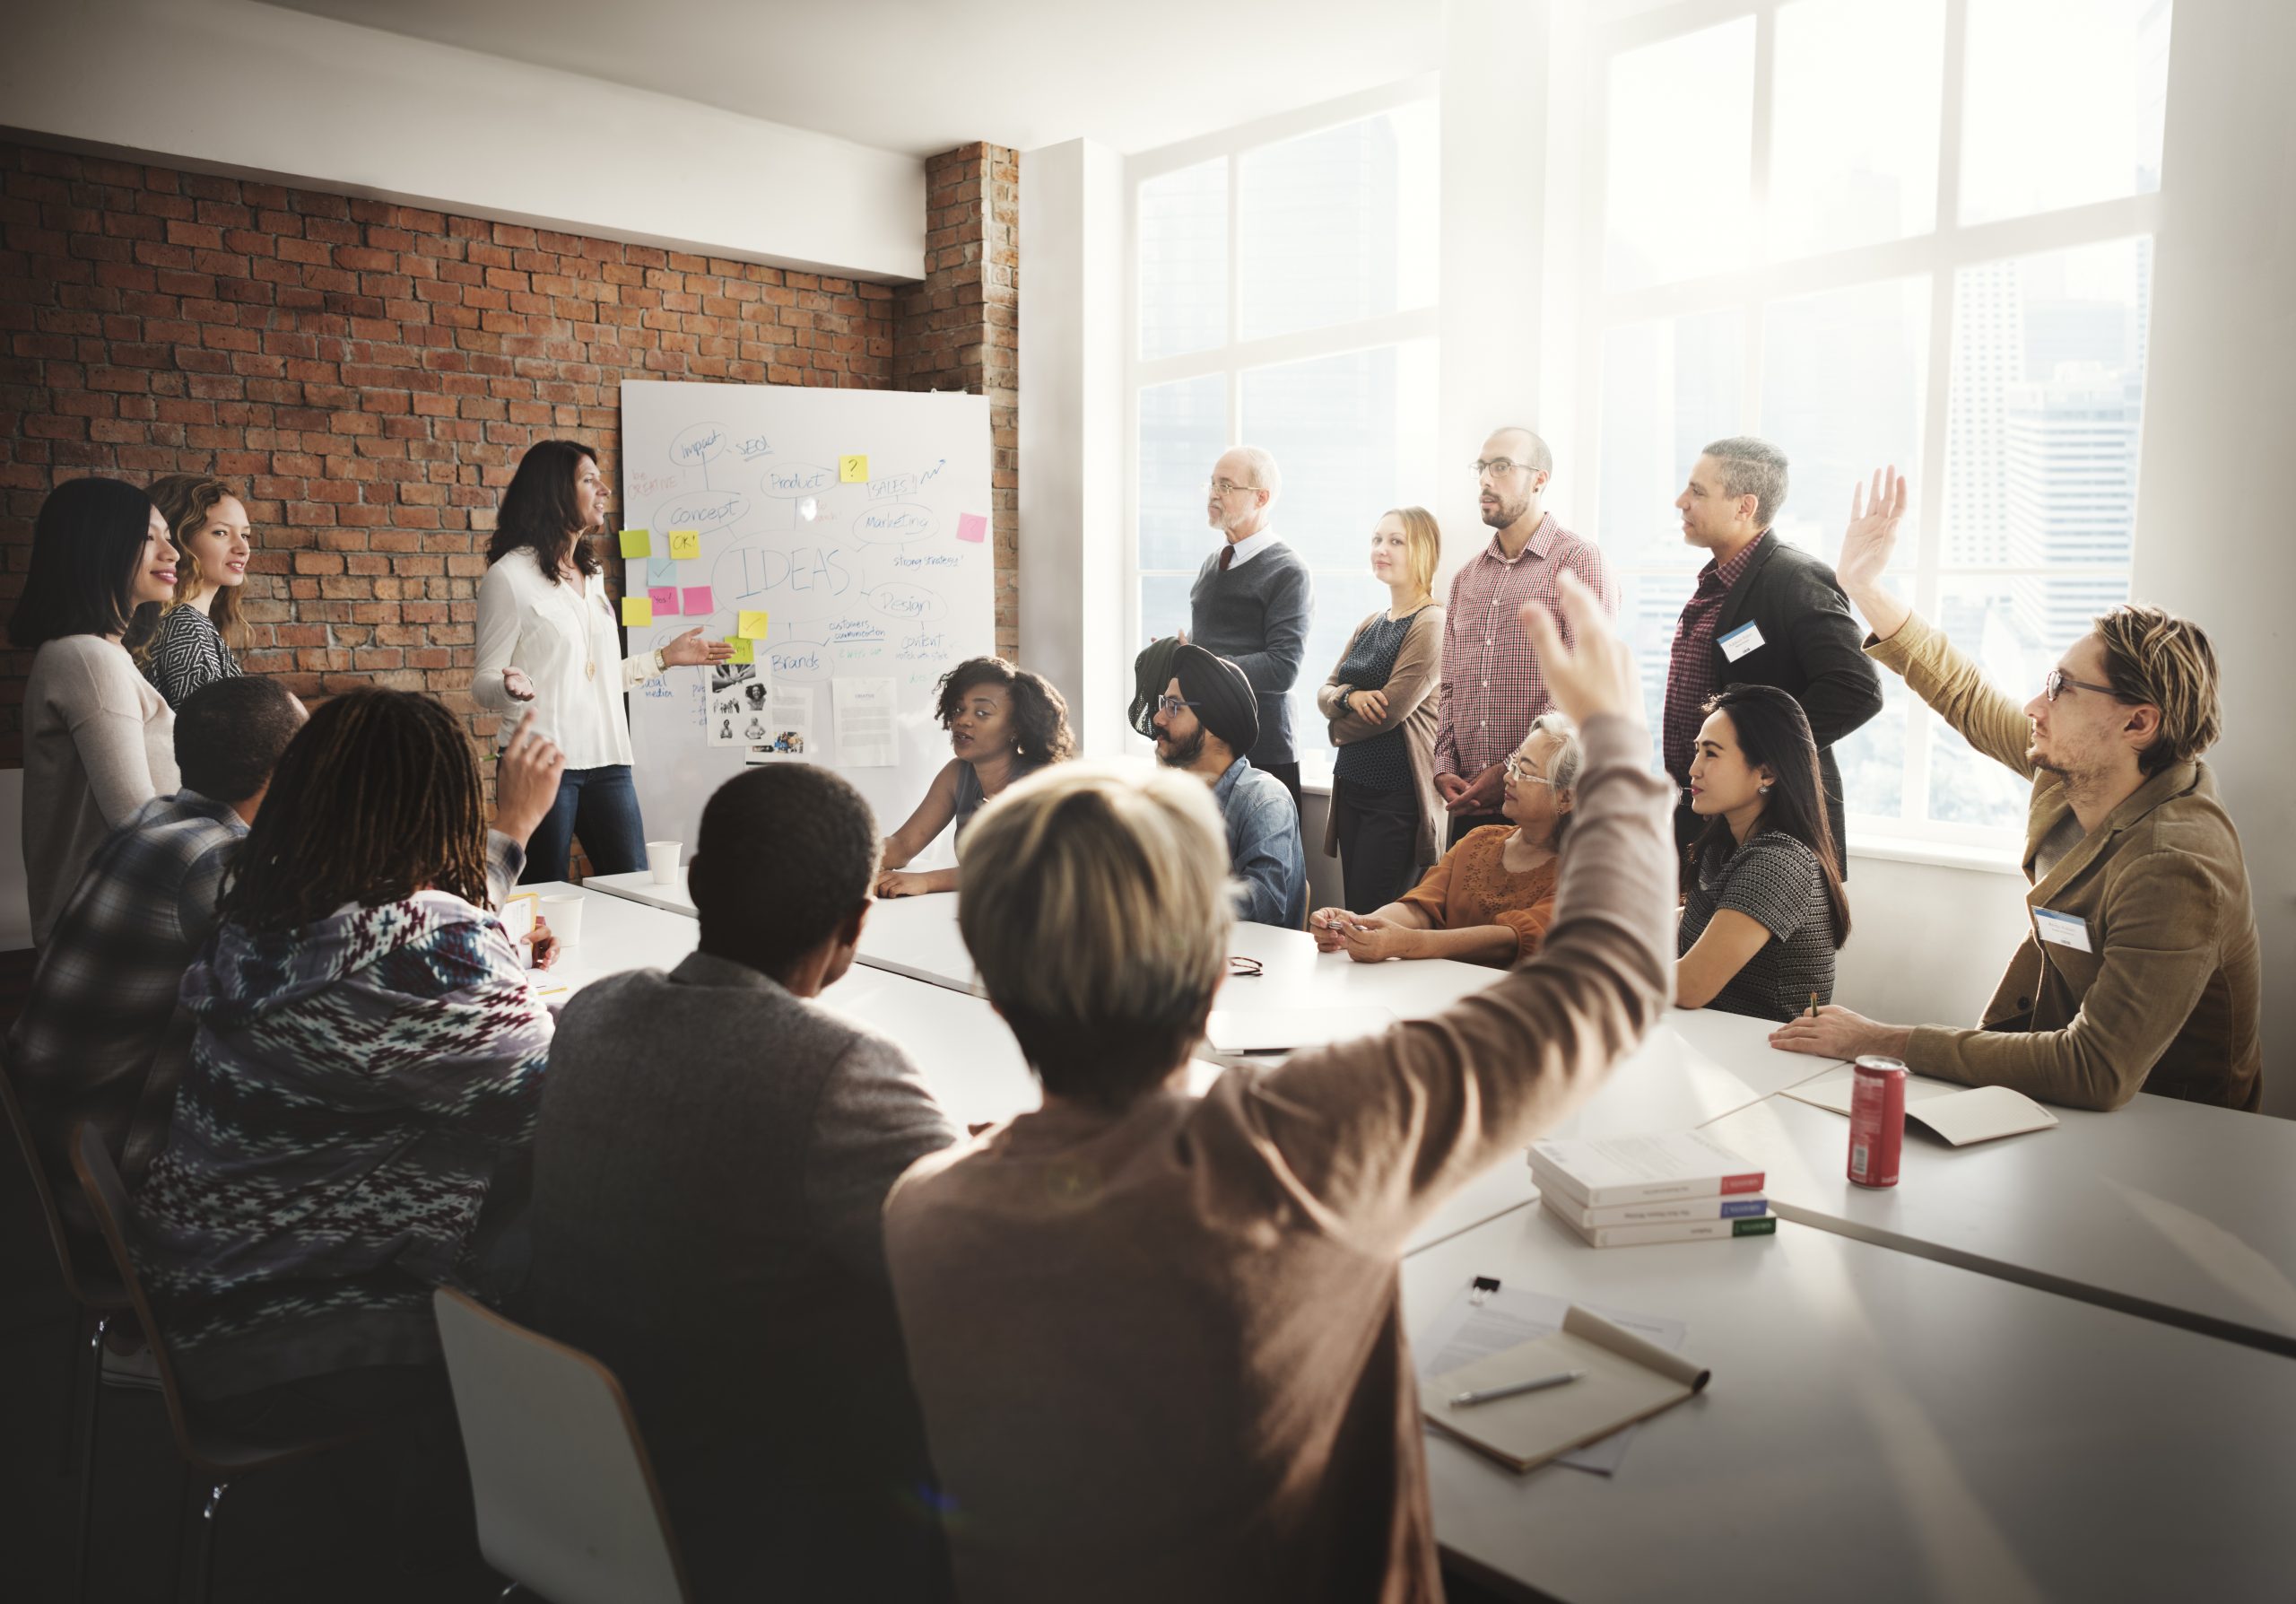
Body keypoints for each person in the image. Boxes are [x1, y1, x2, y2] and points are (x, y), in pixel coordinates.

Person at [883, 573, 1673, 1602]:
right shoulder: (1302, 1144)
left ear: (989, 988)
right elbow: (1607, 982)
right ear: (1218, 966)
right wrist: (1613, 737)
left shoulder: (924, 1212)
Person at [530, 765, 958, 1600]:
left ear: (694, 883)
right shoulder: (843, 1072)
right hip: (757, 1511)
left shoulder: (588, 1014)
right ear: (858, 924)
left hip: (576, 1468)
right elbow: (984, 1265)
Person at [1770, 468, 2263, 1111]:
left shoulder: (2176, 862)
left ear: (2138, 723)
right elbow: (1965, 694)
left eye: (2061, 688)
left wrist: (1881, 1039)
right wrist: (1863, 585)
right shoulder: (2072, 770)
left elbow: (2096, 1069)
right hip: (2060, 1104)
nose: (2035, 705)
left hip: (2174, 1130)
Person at [132, 693, 567, 1408]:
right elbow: (555, 1115)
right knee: (594, 1218)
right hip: (285, 1332)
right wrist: (513, 828)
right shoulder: (424, 947)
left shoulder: (267, 910)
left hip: (202, 1285)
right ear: (443, 806)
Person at [4, 676, 306, 1241]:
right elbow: (320, 989)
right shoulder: (210, 861)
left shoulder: (155, 821)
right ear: (288, 770)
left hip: (67, 1154)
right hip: (126, 1200)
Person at [470, 439, 731, 882]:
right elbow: (483, 683)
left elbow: (598, 677)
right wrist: (508, 686)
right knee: (544, 896)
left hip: (610, 761)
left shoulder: (591, 575)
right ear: (554, 492)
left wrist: (666, 658)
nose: (605, 489)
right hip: (542, 762)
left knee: (636, 887)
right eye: (590, 480)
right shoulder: (509, 577)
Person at [1663, 438, 1882, 885]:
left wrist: (1758, 758)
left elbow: (1857, 689)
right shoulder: (1718, 581)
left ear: (1745, 506)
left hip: (1771, 819)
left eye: (1698, 492)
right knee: (1689, 947)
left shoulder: (1794, 577)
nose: (1681, 502)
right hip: (1701, 813)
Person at [10, 477, 183, 945]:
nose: (173, 553)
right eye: (149, 536)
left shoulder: (103, 656)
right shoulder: (89, 658)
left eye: (168, 536)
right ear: (96, 543)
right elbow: (138, 820)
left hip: (125, 925)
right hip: (115, 938)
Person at [1433, 426, 1615, 846]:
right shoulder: (1466, 577)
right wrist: (1444, 766)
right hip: (1466, 804)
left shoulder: (1579, 561)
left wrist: (1512, 769)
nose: (1484, 479)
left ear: (1539, 479)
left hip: (1544, 806)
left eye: (1501, 467)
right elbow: (1451, 686)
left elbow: (1584, 688)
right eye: (1481, 468)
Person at [1311, 714, 1580, 969]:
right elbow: (1421, 908)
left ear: (1566, 798)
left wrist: (1406, 944)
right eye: (1513, 765)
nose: (1508, 778)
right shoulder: (1479, 840)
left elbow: (1509, 941)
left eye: (1524, 771)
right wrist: (1358, 925)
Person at [1674, 684, 1849, 1021]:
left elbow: (1691, 985)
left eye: (1711, 753)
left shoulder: (1780, 862)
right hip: (1709, 1043)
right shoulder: (1723, 845)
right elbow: (1684, 922)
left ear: (1766, 772)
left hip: (1766, 1062)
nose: (1694, 768)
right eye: (1697, 751)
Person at [1315, 507, 1447, 912]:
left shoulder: (1432, 622)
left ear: (1423, 551)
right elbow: (1324, 691)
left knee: (1375, 921)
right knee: (1354, 912)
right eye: (1377, 539)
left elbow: (1390, 713)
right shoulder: (1371, 622)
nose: (1381, 549)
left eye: (1395, 541)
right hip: (1352, 789)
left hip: (1396, 800)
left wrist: (1336, 729)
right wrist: (1349, 698)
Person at [877, 656, 1075, 898]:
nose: (963, 720)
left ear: (1017, 727)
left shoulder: (1041, 783)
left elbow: (1012, 870)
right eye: (959, 709)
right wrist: (848, 858)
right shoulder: (956, 774)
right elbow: (902, 845)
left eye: (982, 713)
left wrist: (926, 881)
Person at [1188, 445, 1312, 814]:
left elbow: (1282, 668)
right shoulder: (1212, 563)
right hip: (1205, 744)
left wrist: (1205, 666)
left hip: (1262, 750)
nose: (1213, 493)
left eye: (1226, 485)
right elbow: (1212, 642)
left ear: (1261, 498)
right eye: (1212, 483)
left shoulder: (1288, 571)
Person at [1150, 644, 1306, 928]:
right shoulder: (1177, 796)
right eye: (1163, 705)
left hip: (1259, 967)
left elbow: (1264, 904)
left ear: (1213, 723)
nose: (1158, 718)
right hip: (1189, 957)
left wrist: (1160, 902)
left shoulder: (1265, 800)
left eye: (1173, 707)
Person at [133, 473, 254, 709]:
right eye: (221, 532)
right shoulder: (185, 627)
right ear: (180, 539)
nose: (243, 548)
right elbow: (206, 738)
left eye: (245, 535)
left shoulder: (185, 622)